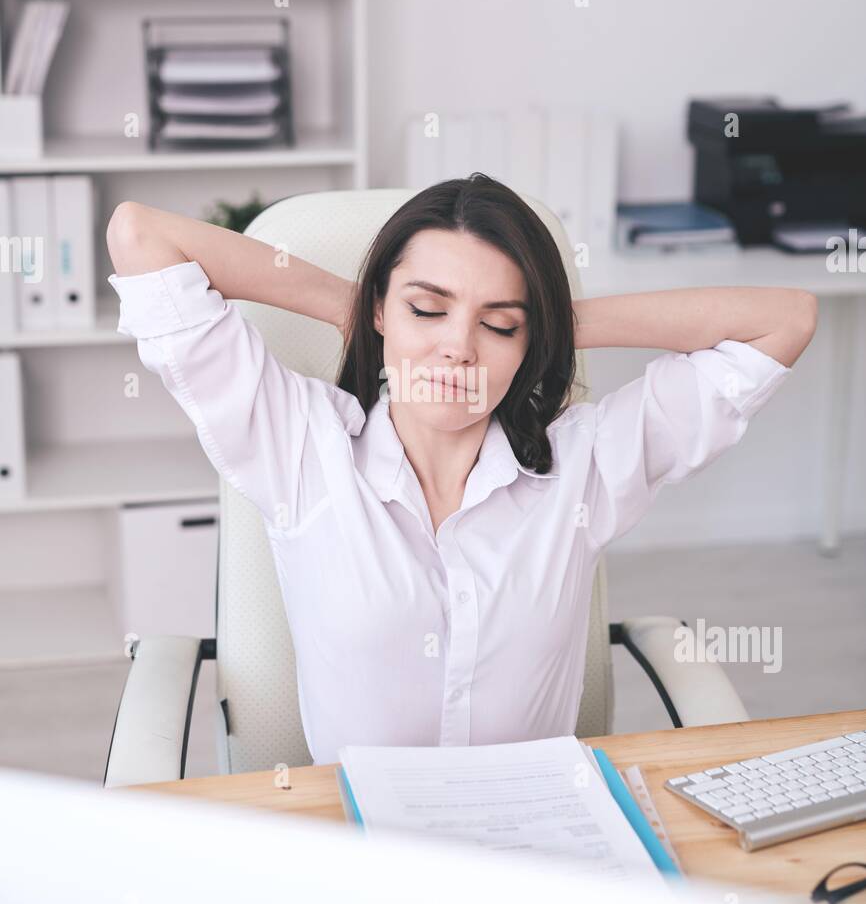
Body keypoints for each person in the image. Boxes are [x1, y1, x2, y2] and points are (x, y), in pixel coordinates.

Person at [106, 173, 817, 764]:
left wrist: (558, 323)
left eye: (500, 324)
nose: (458, 348)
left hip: (538, 853)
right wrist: (352, 305)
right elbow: (141, 234)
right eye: (427, 309)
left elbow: (784, 318)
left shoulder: (585, 466)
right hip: (368, 861)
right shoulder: (299, 447)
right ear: (385, 307)